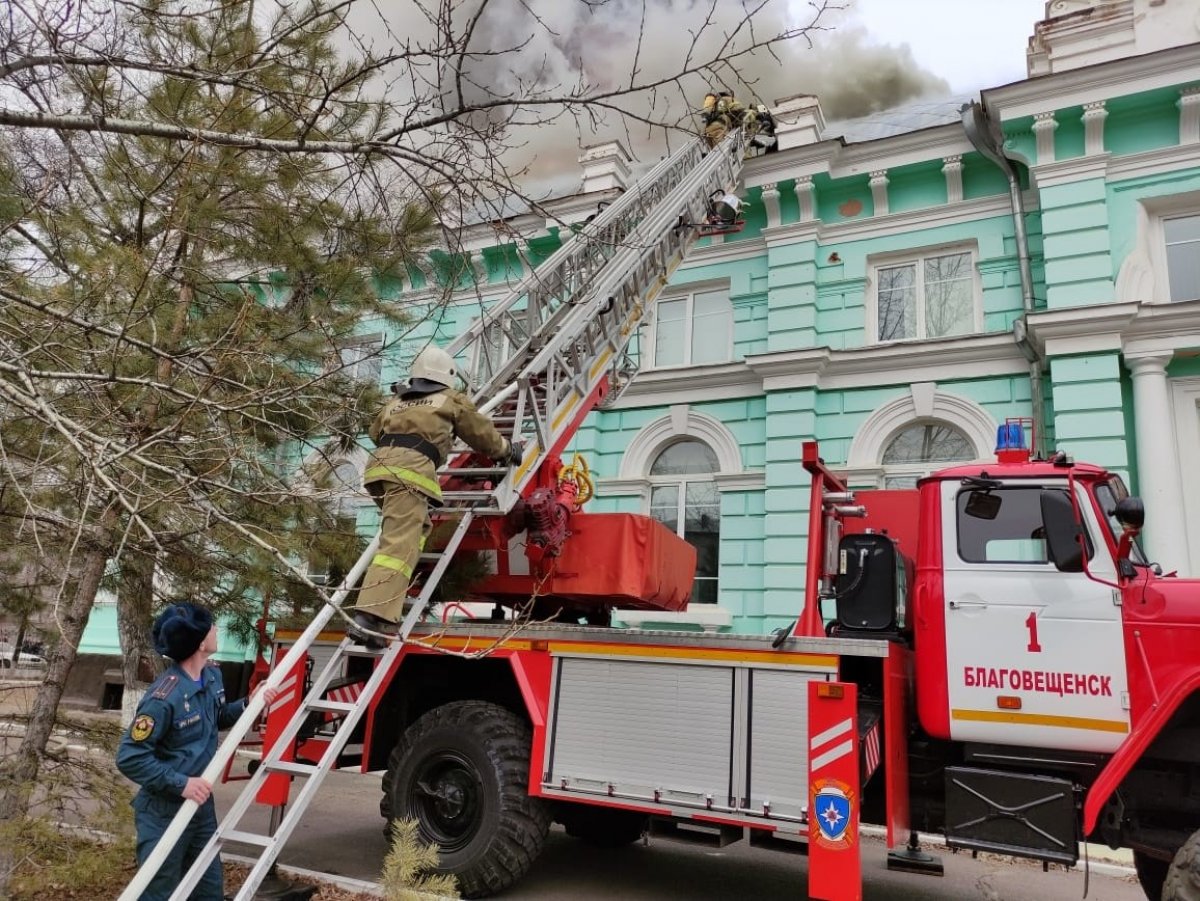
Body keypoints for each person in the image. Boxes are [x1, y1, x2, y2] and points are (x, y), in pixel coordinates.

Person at [350, 345, 522, 649]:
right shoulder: (450, 399)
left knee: (417, 532)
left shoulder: (397, 401)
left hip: (379, 472)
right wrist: (507, 450)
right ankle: (368, 616)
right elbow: (480, 433)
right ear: (447, 377)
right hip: (410, 473)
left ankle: (384, 618)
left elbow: (375, 431)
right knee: (399, 545)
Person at [117, 603, 278, 901]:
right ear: (201, 642)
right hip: (164, 811)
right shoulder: (164, 696)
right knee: (158, 891)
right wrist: (182, 783)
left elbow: (217, 718)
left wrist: (249, 703)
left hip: (200, 808)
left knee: (207, 889)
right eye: (212, 627)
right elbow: (130, 756)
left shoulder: (212, 676)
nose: (217, 630)